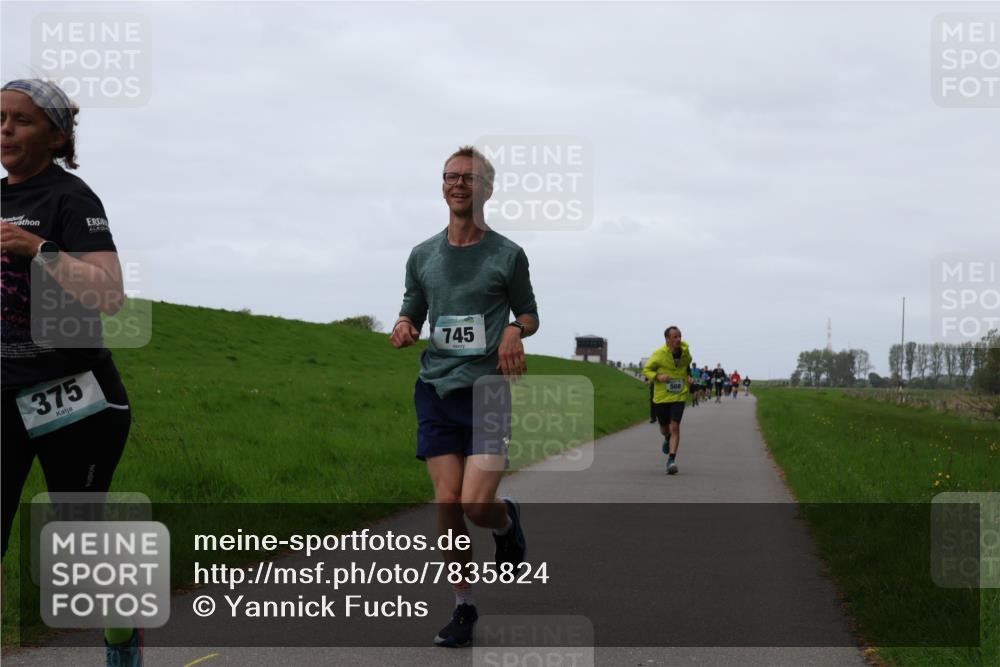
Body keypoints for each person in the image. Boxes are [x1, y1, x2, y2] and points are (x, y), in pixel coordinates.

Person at [1, 79, 139, 666]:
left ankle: (121, 641)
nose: (6, 130)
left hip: (73, 400)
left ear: (56, 135)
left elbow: (111, 295)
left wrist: (40, 251)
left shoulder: (72, 199)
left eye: (22, 121)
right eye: (1, 118)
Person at [390, 145, 539, 648]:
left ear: (487, 190)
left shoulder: (507, 255)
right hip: (436, 389)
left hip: (489, 393)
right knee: (449, 502)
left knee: (478, 505)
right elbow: (412, 304)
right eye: (451, 176)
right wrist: (405, 323)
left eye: (469, 178)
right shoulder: (422, 254)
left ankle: (507, 519)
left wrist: (516, 330)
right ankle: (463, 606)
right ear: (443, 185)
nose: (458, 184)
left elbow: (531, 313)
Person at [642, 327, 693, 474]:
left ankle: (671, 460)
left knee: (675, 426)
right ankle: (667, 437)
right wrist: (658, 377)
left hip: (679, 395)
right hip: (661, 396)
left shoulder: (685, 352)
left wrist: (688, 376)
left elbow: (686, 365)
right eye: (675, 337)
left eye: (680, 336)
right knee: (665, 428)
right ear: (667, 339)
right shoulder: (658, 354)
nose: (678, 339)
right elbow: (647, 370)